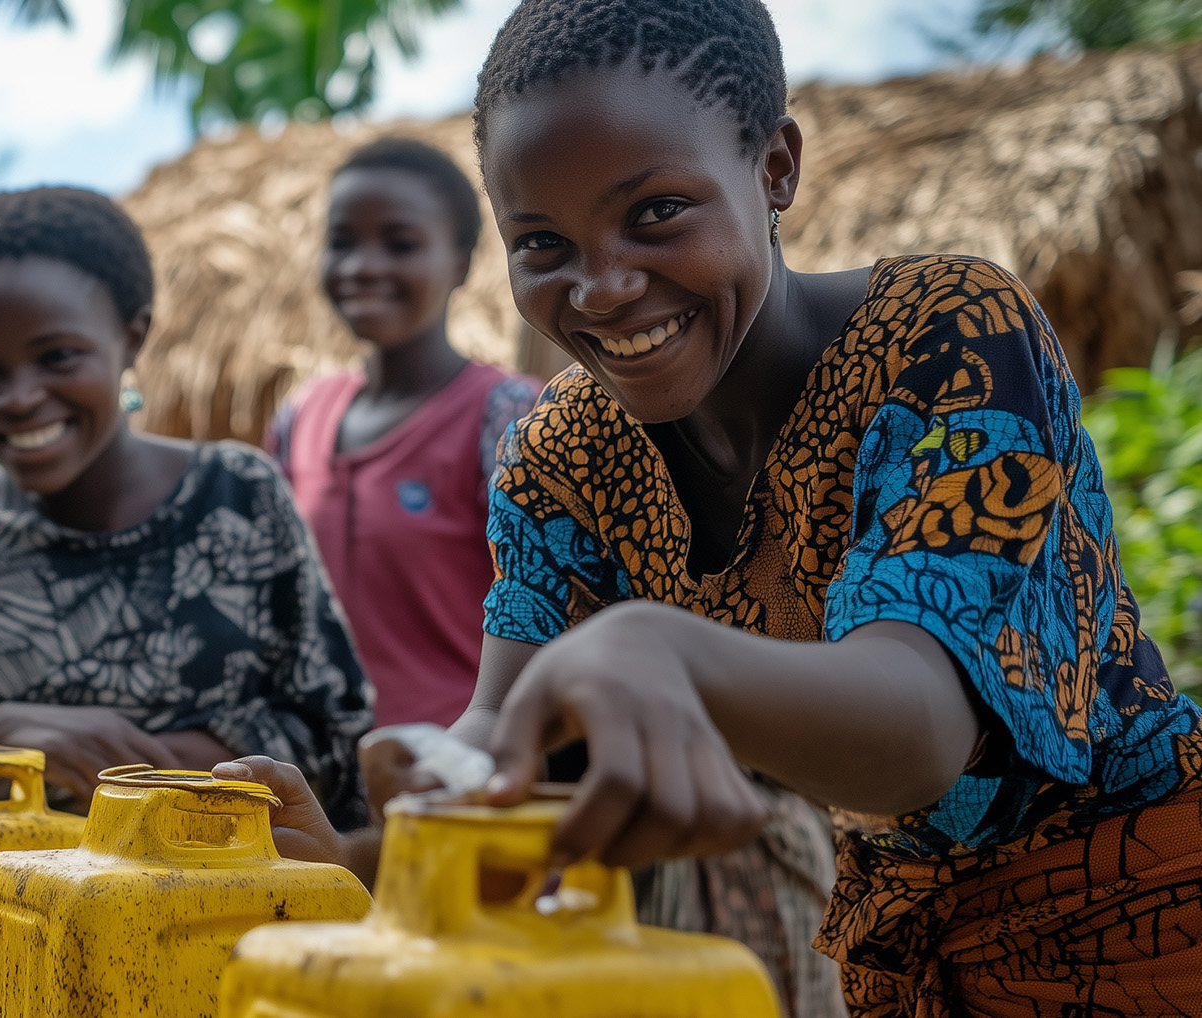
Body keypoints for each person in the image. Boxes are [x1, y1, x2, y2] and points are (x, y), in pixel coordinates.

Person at [223, 1, 1202, 1015]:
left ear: (774, 166)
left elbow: (919, 732)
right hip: (892, 961)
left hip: (1141, 927)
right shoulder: (562, 456)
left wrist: (662, 647)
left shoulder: (948, 336)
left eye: (654, 213)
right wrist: (371, 843)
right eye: (543, 241)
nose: (600, 288)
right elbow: (504, 732)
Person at [0, 186, 375, 827]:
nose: (20, 398)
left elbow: (335, 736)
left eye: (57, 357)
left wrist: (127, 773)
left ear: (133, 338)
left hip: (221, 914)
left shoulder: (236, 497)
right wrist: (0, 738)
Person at [267, 136, 540, 730]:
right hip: (313, 778)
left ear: (462, 261)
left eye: (400, 244)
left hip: (449, 777)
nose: (364, 266)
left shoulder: (508, 418)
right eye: (342, 242)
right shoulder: (300, 418)